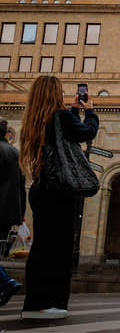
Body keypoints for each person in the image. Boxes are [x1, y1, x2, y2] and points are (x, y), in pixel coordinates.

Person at [18, 76, 99, 320]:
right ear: (55, 93)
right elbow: (85, 133)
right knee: (60, 250)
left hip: (41, 190)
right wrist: (91, 112)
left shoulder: (34, 120)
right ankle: (52, 302)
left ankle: (33, 303)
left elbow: (64, 134)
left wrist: (73, 109)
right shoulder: (60, 116)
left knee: (42, 248)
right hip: (60, 191)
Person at [0, 117, 25, 307]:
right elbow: (21, 185)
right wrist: (20, 213)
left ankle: (6, 281)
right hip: (7, 213)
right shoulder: (14, 152)